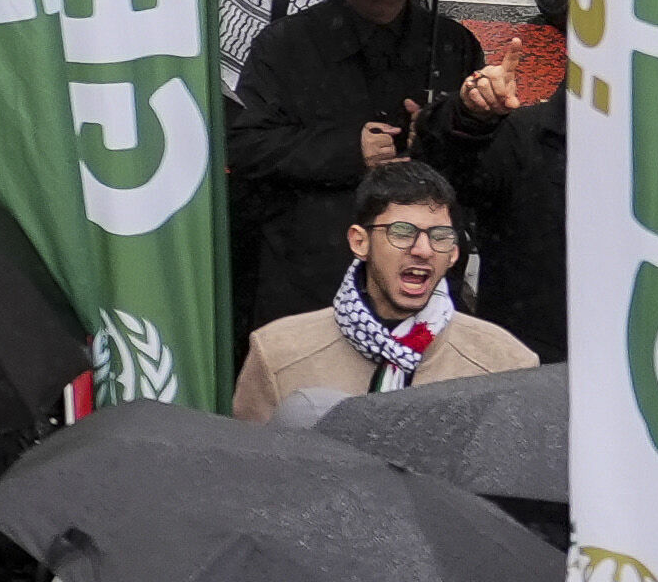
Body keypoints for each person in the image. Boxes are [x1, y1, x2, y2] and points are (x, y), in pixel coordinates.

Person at [222, 0, 514, 329]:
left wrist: (456, 123)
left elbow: (479, 170)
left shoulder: (452, 45)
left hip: (422, 289)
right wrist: (349, 150)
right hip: (309, 280)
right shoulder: (286, 45)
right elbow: (246, 145)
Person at [230, 160, 540, 424]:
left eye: (439, 236)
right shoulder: (279, 354)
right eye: (402, 232)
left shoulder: (504, 363)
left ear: (454, 254)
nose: (423, 250)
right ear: (359, 242)